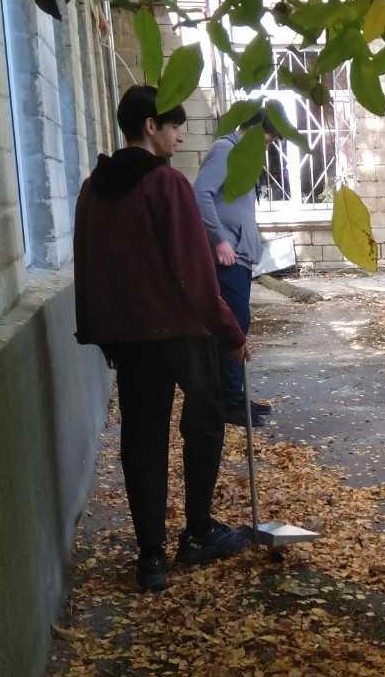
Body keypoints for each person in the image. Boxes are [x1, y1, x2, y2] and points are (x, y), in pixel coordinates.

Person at [74, 85, 252, 592]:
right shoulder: (166, 184)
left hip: (131, 340)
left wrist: (100, 330)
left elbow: (88, 262)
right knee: (205, 423)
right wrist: (231, 332)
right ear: (150, 126)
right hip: (182, 332)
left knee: (142, 438)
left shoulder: (93, 188)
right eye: (174, 126)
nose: (179, 137)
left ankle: (150, 556)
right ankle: (197, 531)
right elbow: (194, 271)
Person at [193, 104, 282, 427]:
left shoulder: (241, 157)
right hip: (226, 257)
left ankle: (236, 396)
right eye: (267, 141)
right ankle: (230, 402)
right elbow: (200, 194)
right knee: (232, 327)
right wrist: (219, 239)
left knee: (238, 326)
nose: (267, 147)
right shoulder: (225, 150)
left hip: (240, 257)